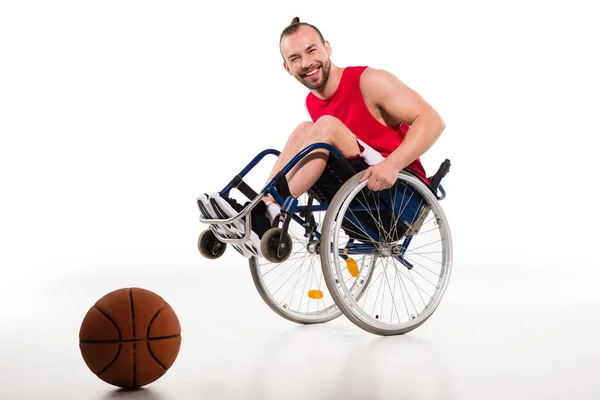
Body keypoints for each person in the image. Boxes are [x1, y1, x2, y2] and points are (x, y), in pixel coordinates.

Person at [199, 17, 446, 259]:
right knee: (305, 129)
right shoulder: (312, 101)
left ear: (327, 47)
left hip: (399, 196)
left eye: (311, 50)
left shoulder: (369, 81)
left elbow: (433, 121)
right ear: (287, 68)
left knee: (324, 125)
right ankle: (261, 209)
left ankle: (264, 212)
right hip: (358, 197)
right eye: (295, 58)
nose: (306, 63)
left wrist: (392, 164)